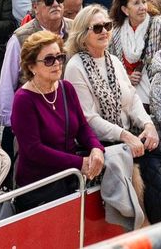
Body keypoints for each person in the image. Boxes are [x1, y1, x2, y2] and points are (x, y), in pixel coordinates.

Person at [10, 30, 103, 213]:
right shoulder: (23, 99)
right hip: (40, 188)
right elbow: (33, 150)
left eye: (60, 57)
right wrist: (79, 163)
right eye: (48, 60)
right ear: (31, 67)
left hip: (70, 180)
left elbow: (83, 127)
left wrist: (96, 148)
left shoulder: (66, 87)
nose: (57, 64)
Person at [62, 5, 159, 158]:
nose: (104, 32)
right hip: (105, 149)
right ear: (82, 34)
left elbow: (132, 98)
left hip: (130, 140)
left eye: (107, 26)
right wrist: (124, 136)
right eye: (97, 28)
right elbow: (88, 118)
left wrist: (148, 124)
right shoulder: (75, 67)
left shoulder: (113, 60)